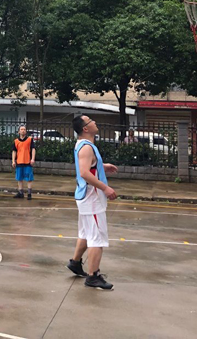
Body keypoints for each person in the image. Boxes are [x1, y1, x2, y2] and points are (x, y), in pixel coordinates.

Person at [67, 115, 118, 291]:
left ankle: (75, 262)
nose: (95, 122)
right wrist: (105, 188)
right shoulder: (86, 147)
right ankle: (93, 276)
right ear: (86, 128)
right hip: (92, 198)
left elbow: (89, 166)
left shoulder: (84, 145)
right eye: (90, 121)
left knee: (86, 232)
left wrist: (102, 166)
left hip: (85, 197)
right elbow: (84, 172)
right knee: (97, 237)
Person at [11, 126, 36, 200]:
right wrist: (13, 161)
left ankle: (29, 193)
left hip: (27, 162)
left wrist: (32, 159)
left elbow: (33, 149)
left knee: (29, 178)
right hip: (19, 161)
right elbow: (14, 151)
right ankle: (20, 193)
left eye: (24, 129)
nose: (23, 131)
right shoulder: (16, 141)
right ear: (19, 131)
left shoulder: (29, 140)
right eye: (21, 129)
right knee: (19, 178)